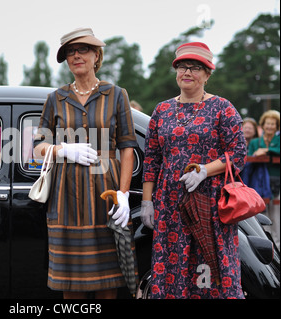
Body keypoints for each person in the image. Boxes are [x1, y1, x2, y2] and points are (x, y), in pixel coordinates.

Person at [33, 27, 138, 299]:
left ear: (96, 56)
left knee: (108, 284)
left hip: (106, 195)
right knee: (71, 286)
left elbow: (127, 147)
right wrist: (62, 150)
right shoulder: (55, 99)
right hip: (66, 200)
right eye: (70, 52)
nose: (76, 56)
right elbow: (37, 149)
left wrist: (124, 195)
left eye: (82, 50)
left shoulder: (116, 95)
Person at [140, 42, 247, 298]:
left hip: (209, 204)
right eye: (182, 67)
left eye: (195, 68)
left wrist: (204, 170)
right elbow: (152, 159)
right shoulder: (162, 110)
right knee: (172, 269)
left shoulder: (223, 108)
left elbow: (238, 153)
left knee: (209, 269)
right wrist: (147, 201)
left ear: (207, 75)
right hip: (170, 203)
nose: (187, 73)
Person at [248, 110, 280, 249]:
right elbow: (248, 157)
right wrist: (256, 154)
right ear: (263, 124)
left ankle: (278, 246)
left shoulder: (278, 141)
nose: (270, 127)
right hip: (259, 184)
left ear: (277, 126)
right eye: (268, 123)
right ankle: (264, 246)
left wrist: (266, 151)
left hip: (277, 183)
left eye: (273, 124)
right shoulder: (255, 142)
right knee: (261, 216)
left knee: (276, 217)